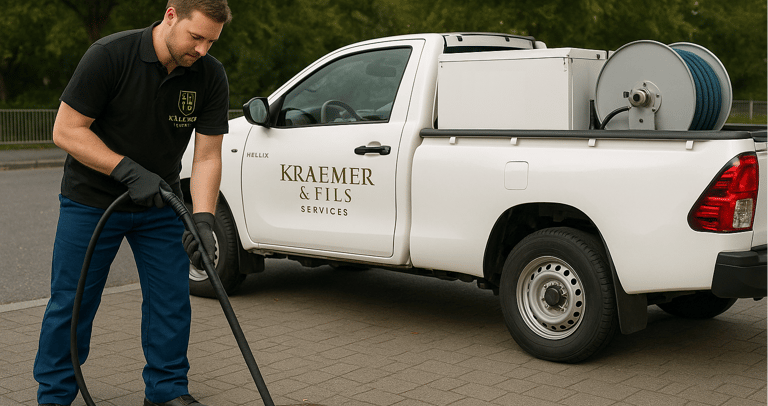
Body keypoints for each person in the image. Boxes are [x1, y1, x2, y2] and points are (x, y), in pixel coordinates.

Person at [33, 1, 232, 405]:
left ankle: (166, 391)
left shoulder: (209, 75)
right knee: (71, 303)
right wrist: (126, 170)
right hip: (91, 202)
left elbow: (208, 155)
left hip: (160, 204)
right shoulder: (110, 55)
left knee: (171, 302)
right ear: (171, 15)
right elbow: (67, 130)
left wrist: (204, 219)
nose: (203, 51)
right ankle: (54, 395)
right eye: (197, 38)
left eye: (212, 42)